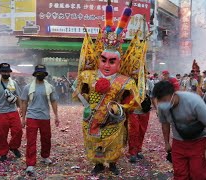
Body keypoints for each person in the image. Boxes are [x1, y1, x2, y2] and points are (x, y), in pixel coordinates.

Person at [74, 2, 140, 175]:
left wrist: (120, 108)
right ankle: (97, 164)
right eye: (104, 60)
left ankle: (112, 164)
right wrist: (86, 100)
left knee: (113, 141)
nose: (107, 65)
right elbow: (78, 94)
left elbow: (135, 101)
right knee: (94, 140)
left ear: (119, 62)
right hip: (92, 118)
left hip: (113, 118)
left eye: (112, 61)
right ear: (99, 59)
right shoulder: (87, 76)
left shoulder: (126, 81)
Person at [153, 81, 206, 180]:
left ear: (173, 94)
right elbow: (165, 124)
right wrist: (166, 142)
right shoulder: (162, 107)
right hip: (179, 142)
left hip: (198, 141)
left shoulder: (194, 101)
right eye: (159, 100)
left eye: (165, 100)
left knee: (198, 175)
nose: (162, 103)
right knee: (180, 174)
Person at [21, 65, 59, 174]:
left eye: (42, 73)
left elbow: (53, 101)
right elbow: (24, 103)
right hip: (32, 117)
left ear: (45, 75)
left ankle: (45, 157)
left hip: (45, 117)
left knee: (46, 139)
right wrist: (23, 118)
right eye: (38, 73)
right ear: (35, 74)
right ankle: (30, 163)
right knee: (31, 141)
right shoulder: (27, 87)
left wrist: (56, 116)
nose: (40, 75)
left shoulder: (50, 87)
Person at [0, 63, 23, 162]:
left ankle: (13, 147)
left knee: (18, 131)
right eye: (4, 71)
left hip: (13, 111)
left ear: (10, 72)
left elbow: (18, 96)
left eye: (7, 71)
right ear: (0, 72)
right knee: (1, 134)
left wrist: (21, 108)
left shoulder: (14, 83)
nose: (6, 73)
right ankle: (3, 153)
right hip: (0, 113)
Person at [128, 77, 154, 163]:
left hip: (144, 110)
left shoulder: (149, 82)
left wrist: (157, 108)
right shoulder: (130, 82)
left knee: (142, 131)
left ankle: (138, 150)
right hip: (133, 110)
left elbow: (152, 96)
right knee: (133, 131)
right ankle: (132, 153)